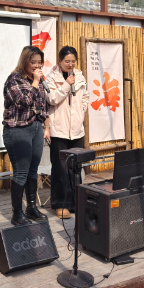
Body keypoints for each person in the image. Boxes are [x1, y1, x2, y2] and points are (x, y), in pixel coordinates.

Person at [3, 46, 50, 226]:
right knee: (21, 171)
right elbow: (24, 102)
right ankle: (17, 214)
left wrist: (46, 126)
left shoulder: (37, 81)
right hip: (18, 129)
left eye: (40, 62)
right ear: (25, 61)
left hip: (36, 128)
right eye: (33, 62)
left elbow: (43, 106)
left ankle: (31, 207)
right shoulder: (14, 79)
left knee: (33, 170)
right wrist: (36, 82)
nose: (37, 66)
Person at [45, 46, 89, 219]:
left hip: (77, 129)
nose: (70, 64)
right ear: (59, 61)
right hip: (59, 130)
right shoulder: (52, 77)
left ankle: (76, 202)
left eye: (73, 61)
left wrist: (82, 111)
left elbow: (85, 97)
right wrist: (66, 85)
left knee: (75, 168)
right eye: (67, 61)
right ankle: (60, 204)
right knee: (60, 168)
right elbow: (51, 99)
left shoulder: (79, 76)